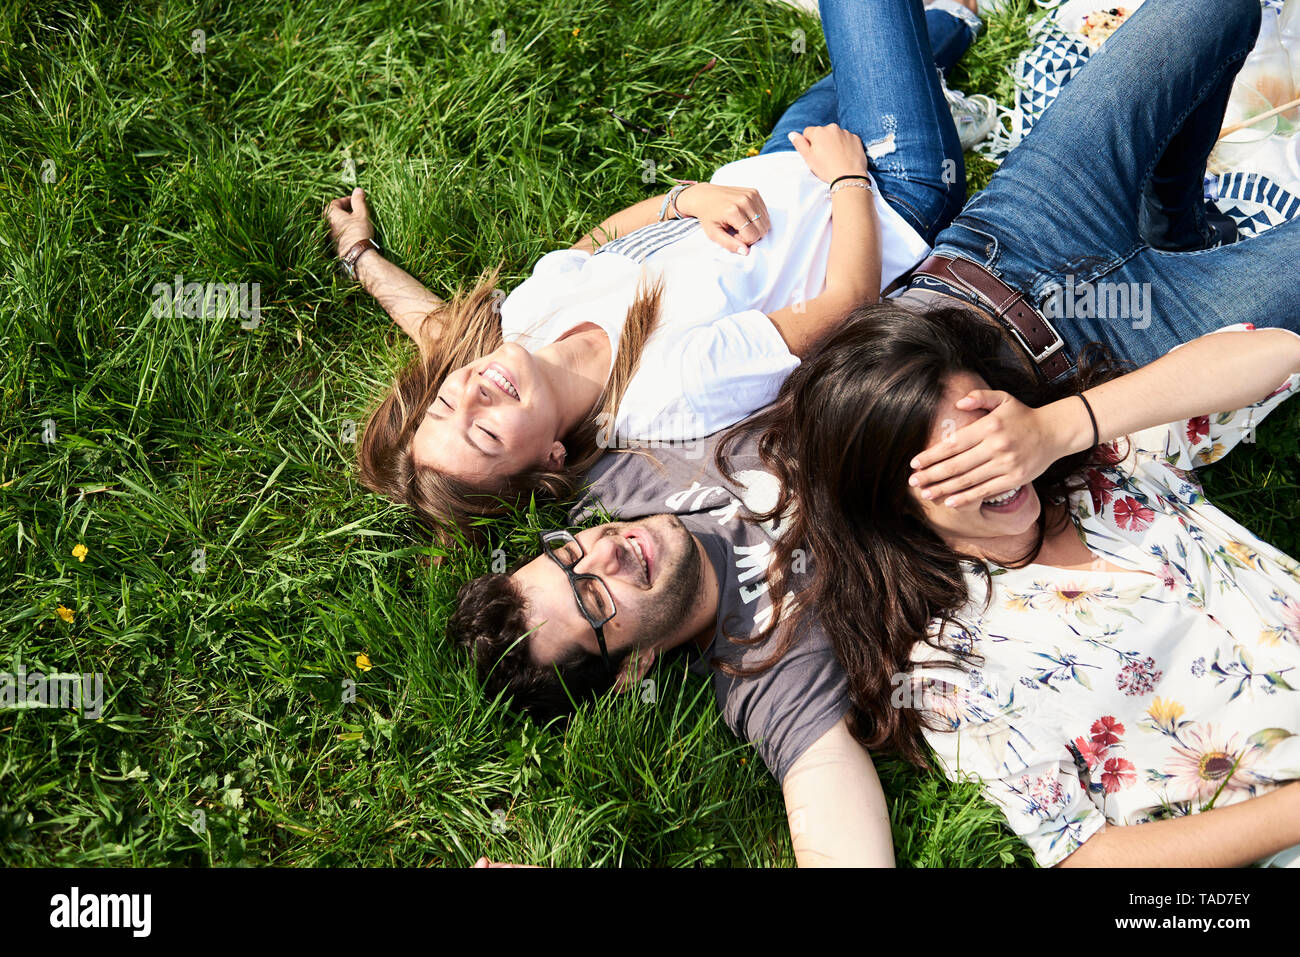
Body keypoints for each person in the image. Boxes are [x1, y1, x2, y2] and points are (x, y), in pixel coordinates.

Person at [323, 0, 986, 537]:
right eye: (488, 430)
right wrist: (848, 178)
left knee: (889, 43)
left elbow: (579, 249)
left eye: (446, 399)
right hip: (889, 191)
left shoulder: (517, 330)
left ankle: (950, 29)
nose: (474, 393)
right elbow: (848, 304)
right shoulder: (666, 389)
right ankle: (926, 89)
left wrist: (686, 199)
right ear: (551, 459)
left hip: (774, 168)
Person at [723, 300, 1300, 867]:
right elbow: (1083, 852)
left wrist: (1062, 425)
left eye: (992, 433)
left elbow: (1279, 355)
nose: (1000, 468)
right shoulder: (952, 666)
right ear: (891, 500)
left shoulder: (1109, 463)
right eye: (955, 465)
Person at [448, 425, 894, 866]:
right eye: (593, 599)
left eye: (566, 556)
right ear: (633, 668)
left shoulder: (614, 475)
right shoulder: (766, 671)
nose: (606, 551)